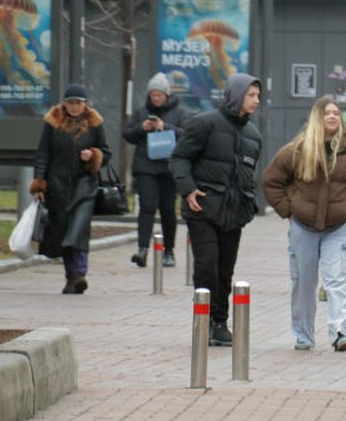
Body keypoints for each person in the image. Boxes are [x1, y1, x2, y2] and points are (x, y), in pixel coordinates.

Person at [263, 96, 346, 352]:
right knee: (303, 281)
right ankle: (303, 334)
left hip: (336, 228)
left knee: (336, 279)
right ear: (317, 117)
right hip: (302, 226)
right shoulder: (298, 149)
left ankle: (340, 332)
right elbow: (272, 181)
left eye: (336, 113)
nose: (332, 117)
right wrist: (288, 210)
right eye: (327, 113)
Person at [170, 73, 264, 347]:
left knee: (225, 270)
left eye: (258, 96)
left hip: (234, 213)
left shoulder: (253, 135)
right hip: (202, 208)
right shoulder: (204, 124)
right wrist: (188, 189)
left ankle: (220, 323)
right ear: (236, 95)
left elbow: (249, 173)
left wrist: (249, 201)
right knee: (207, 264)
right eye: (251, 95)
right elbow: (179, 157)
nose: (256, 101)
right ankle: (205, 319)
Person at [29, 84, 111, 295]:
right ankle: (72, 276)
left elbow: (105, 152)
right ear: (64, 103)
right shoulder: (53, 122)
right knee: (64, 232)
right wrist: (39, 182)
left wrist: (93, 155)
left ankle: (79, 273)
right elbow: (43, 154)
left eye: (79, 103)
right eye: (71, 102)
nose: (75, 107)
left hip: (84, 186)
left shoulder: (94, 123)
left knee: (79, 231)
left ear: (85, 104)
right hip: (57, 186)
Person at [122, 72, 188, 268]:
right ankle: (142, 250)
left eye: (160, 95)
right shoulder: (141, 112)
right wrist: (143, 128)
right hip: (146, 166)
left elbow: (187, 135)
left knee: (168, 209)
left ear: (166, 95)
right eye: (153, 95)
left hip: (168, 167)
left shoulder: (179, 113)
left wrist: (165, 127)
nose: (157, 99)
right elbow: (128, 135)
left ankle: (169, 251)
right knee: (147, 207)